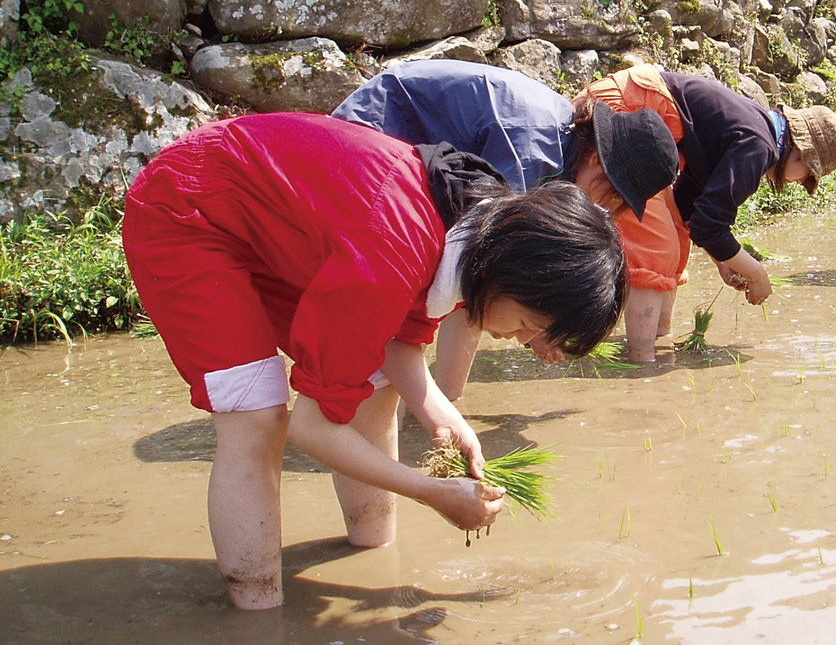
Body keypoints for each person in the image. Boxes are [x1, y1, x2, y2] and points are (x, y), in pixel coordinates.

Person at [122, 112, 626, 610]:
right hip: (190, 207)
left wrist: (443, 417)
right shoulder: (392, 249)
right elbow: (312, 426)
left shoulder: (472, 229)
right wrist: (430, 491)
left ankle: (375, 553)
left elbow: (397, 342)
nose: (520, 338)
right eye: (529, 323)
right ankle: (257, 610)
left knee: (376, 383)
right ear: (519, 272)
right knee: (258, 416)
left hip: (272, 226)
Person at [332, 58, 679, 395]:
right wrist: (534, 329)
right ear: (594, 159)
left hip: (410, 162)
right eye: (611, 195)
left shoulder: (565, 151)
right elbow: (478, 267)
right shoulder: (534, 151)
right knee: (391, 300)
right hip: (376, 133)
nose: (602, 208)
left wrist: (535, 323)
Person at [579, 64, 836, 362]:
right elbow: (711, 226)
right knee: (658, 247)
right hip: (623, 110)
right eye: (805, 175)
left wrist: (723, 259)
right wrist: (756, 273)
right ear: (798, 151)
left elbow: (692, 216)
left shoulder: (753, 132)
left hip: (627, 102)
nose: (796, 181)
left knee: (675, 232)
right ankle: (643, 364)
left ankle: (660, 340)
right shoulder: (758, 147)